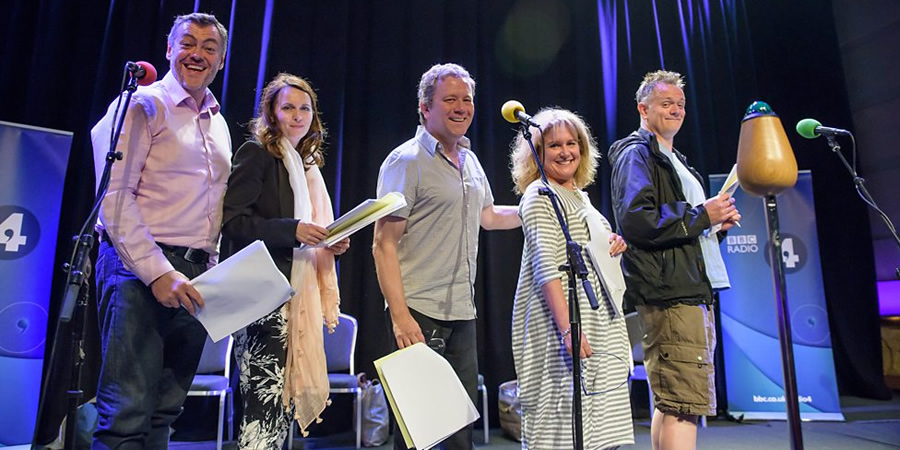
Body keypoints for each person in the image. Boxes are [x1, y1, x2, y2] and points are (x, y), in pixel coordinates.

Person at [89, 12, 230, 449]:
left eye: (210, 48)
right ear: (169, 50)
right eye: (188, 43)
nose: (198, 54)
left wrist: (213, 269)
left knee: (165, 411)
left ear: (221, 62)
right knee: (126, 413)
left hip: (194, 276)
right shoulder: (142, 105)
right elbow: (114, 198)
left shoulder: (218, 123)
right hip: (137, 270)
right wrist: (158, 272)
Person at [372, 63, 520, 450]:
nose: (461, 107)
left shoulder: (469, 160)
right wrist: (401, 318)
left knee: (459, 436)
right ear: (425, 108)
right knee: (418, 434)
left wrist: (536, 209)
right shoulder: (406, 162)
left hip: (462, 313)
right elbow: (383, 244)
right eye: (450, 99)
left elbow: (487, 217)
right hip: (419, 312)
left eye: (467, 100)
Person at [608, 70, 741, 450]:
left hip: (687, 288)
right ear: (643, 108)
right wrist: (703, 215)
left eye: (680, 104)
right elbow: (638, 221)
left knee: (672, 403)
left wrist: (716, 225)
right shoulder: (638, 153)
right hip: (671, 294)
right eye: (666, 103)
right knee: (683, 404)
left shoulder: (673, 159)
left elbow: (677, 228)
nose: (676, 110)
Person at [221, 73, 349, 448]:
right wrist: (293, 230)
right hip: (262, 297)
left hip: (293, 295)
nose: (297, 115)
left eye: (305, 108)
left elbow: (310, 232)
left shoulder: (305, 166)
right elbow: (234, 222)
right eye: (288, 107)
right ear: (272, 113)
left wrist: (328, 245)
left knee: (279, 406)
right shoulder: (257, 154)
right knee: (262, 404)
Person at [508, 108, 634, 449]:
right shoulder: (539, 196)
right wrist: (568, 328)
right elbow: (546, 267)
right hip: (562, 324)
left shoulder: (580, 196)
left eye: (571, 143)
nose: (566, 152)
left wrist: (611, 245)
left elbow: (587, 251)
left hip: (597, 321)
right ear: (537, 152)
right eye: (554, 146)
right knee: (561, 430)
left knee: (599, 432)